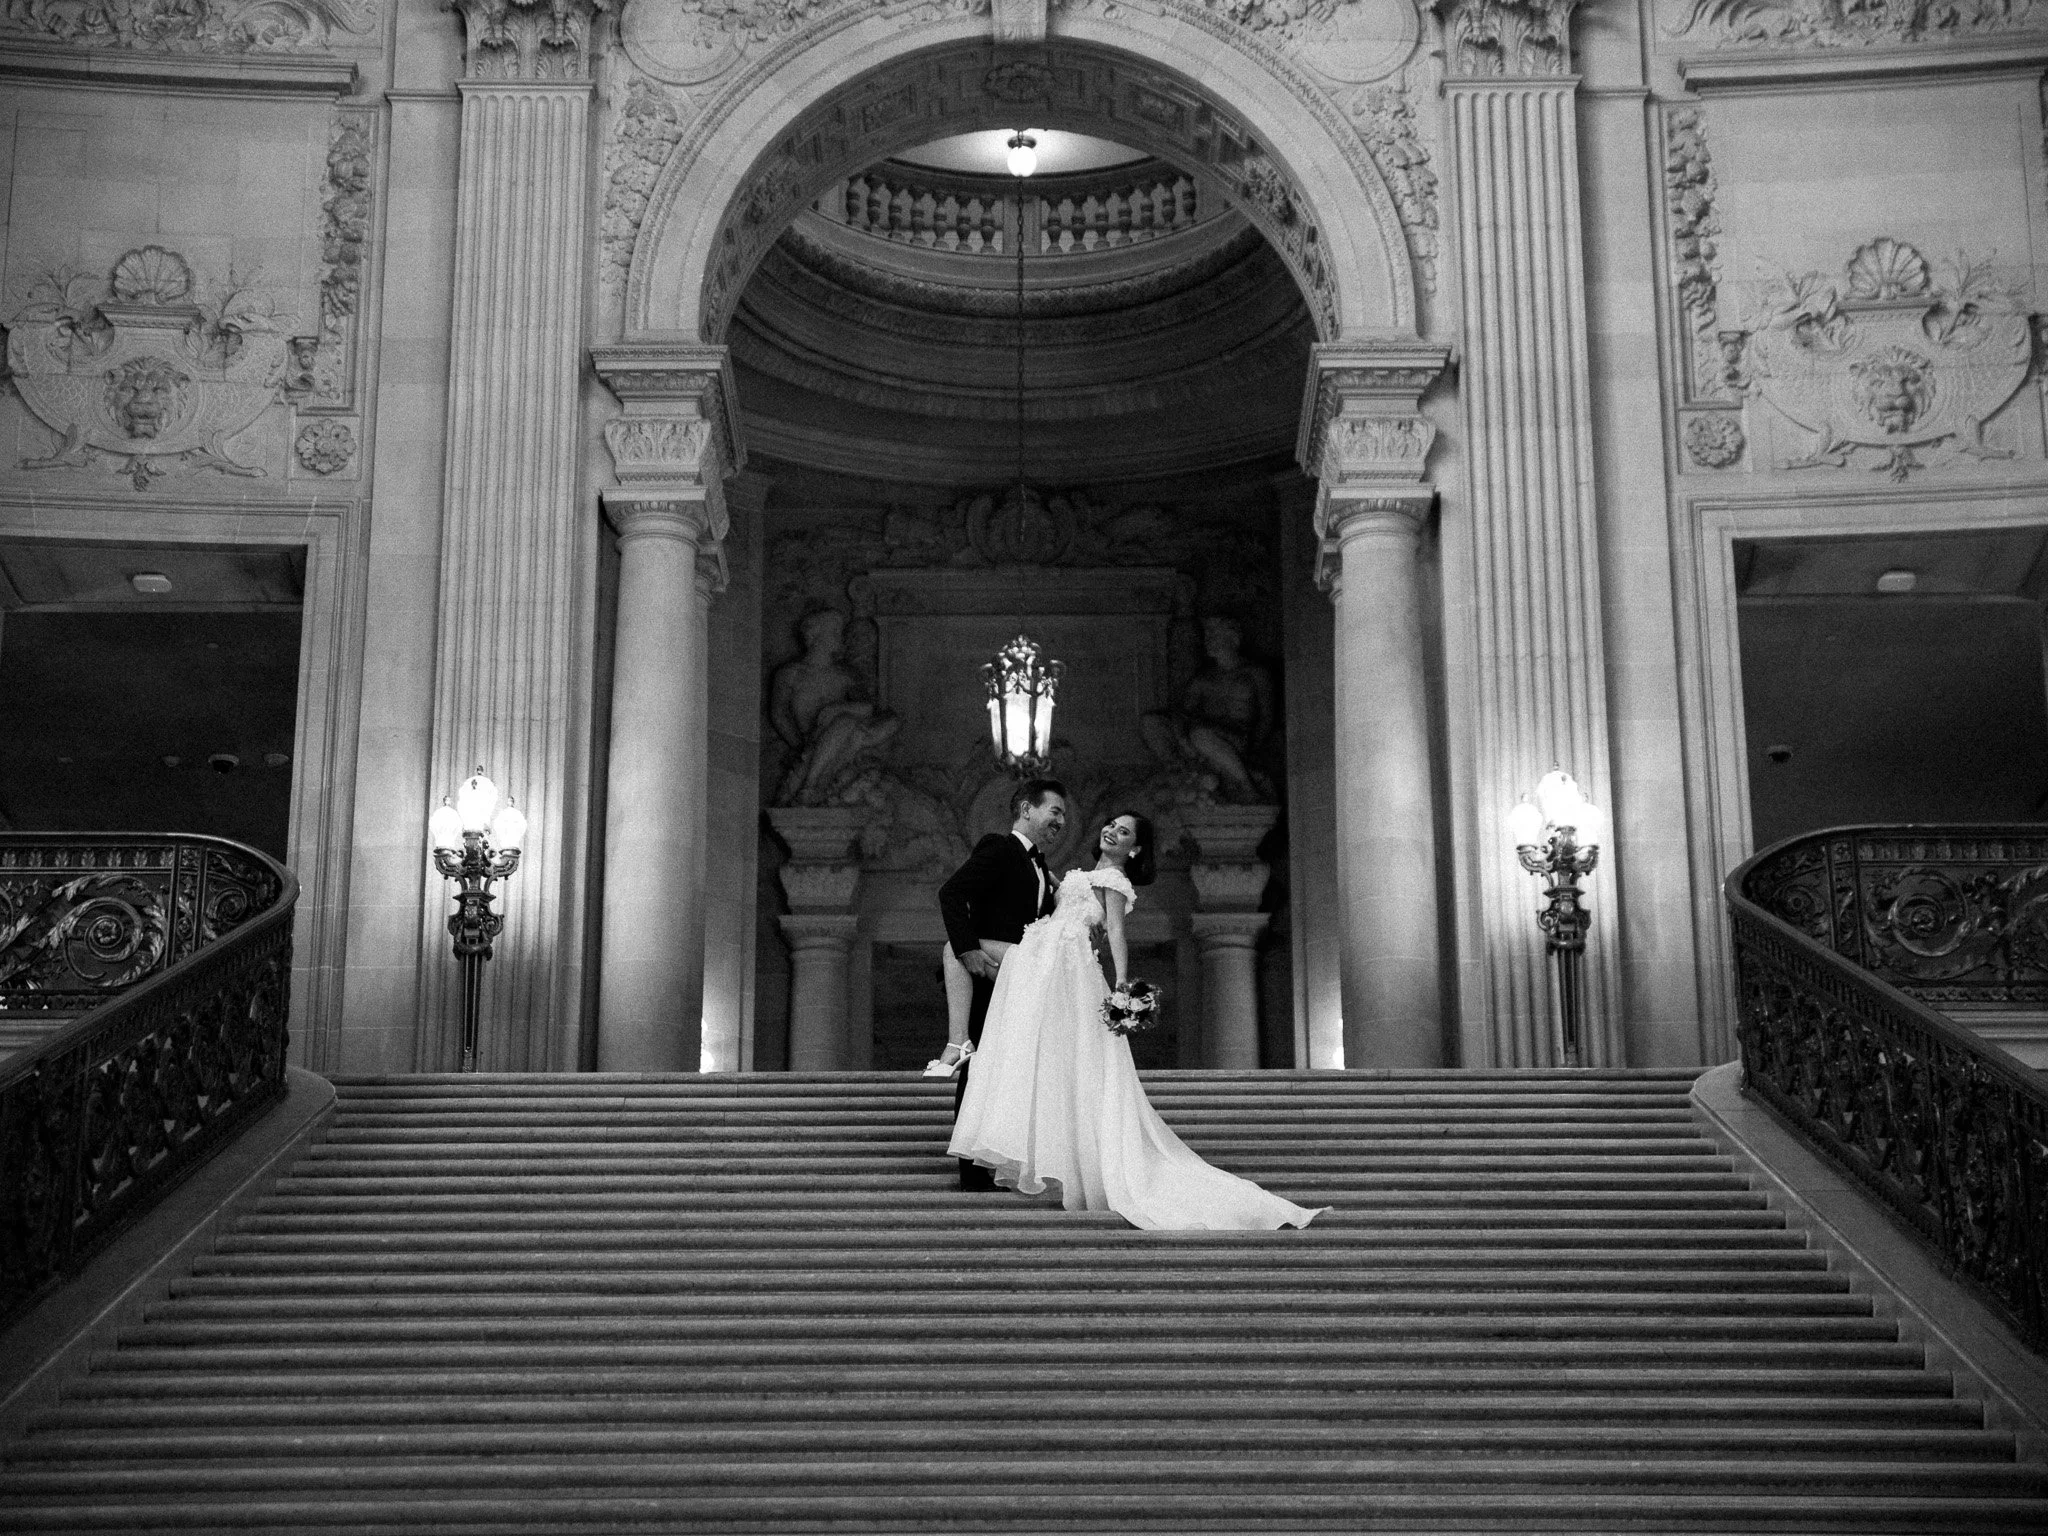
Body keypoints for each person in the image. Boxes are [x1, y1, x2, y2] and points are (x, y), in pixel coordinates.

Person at [950, 811, 1325, 1231]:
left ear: (1136, 849)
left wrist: (1122, 984)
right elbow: (1060, 901)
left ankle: (959, 1043)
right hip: (1047, 954)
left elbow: (1113, 931)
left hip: (1066, 964)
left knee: (975, 966)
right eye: (1111, 824)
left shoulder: (1113, 882)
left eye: (1124, 831)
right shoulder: (1076, 876)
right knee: (1044, 1051)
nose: (1111, 830)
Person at [934, 778, 1067, 1189]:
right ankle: (971, 1171)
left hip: (1021, 978)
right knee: (979, 1062)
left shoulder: (1042, 867)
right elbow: (952, 892)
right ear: (1027, 809)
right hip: (990, 973)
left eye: (1064, 815)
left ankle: (999, 1157)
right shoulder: (1000, 846)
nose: (1060, 821)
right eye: (1055, 811)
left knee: (1007, 1066)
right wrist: (968, 949)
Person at [768, 608, 899, 807]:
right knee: (846, 723)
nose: (841, 636)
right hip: (811, 737)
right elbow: (779, 715)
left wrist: (835, 709)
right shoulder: (791, 674)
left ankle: (817, 782)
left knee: (885, 723)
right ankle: (811, 784)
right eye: (835, 631)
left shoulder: (845, 676)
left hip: (844, 734)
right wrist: (798, 745)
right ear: (817, 634)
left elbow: (869, 709)